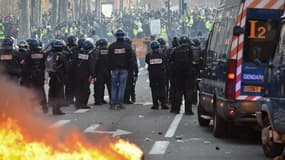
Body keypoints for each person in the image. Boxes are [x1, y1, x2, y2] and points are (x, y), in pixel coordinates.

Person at [108, 29, 133, 110]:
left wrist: (110, 68)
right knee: (122, 87)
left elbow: (109, 59)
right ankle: (120, 103)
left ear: (116, 36)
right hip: (124, 69)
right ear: (123, 36)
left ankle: (113, 103)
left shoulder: (111, 46)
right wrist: (130, 69)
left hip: (114, 69)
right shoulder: (127, 46)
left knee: (114, 87)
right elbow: (130, 59)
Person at [169, 36, 194, 115]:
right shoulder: (190, 50)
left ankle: (176, 109)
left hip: (178, 75)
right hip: (188, 75)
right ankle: (188, 110)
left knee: (178, 92)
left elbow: (170, 62)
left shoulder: (174, 50)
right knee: (188, 92)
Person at [46, 40, 69, 115]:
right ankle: (57, 110)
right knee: (59, 93)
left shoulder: (50, 54)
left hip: (52, 76)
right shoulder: (61, 55)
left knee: (52, 91)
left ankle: (53, 107)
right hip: (59, 77)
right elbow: (66, 67)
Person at [26, 39, 48, 113]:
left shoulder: (28, 54)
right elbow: (45, 64)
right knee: (41, 90)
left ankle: (32, 107)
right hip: (40, 75)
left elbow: (26, 65)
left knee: (32, 91)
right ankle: (44, 106)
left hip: (31, 76)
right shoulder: (42, 53)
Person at [145, 41, 168, 110]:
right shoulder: (162, 55)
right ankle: (163, 104)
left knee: (154, 89)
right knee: (162, 89)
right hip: (161, 74)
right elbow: (165, 62)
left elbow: (147, 61)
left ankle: (155, 104)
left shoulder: (149, 55)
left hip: (152, 74)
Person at [74, 40, 96, 109]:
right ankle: (83, 104)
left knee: (78, 89)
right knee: (86, 90)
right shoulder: (89, 56)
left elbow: (73, 63)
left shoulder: (78, 53)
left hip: (77, 74)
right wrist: (93, 75)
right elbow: (91, 66)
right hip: (86, 75)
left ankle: (77, 103)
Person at [94, 39, 111, 105]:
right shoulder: (108, 50)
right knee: (110, 86)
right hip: (108, 70)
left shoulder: (96, 51)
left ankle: (99, 100)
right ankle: (112, 100)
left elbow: (94, 61)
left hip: (98, 71)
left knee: (99, 86)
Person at [65, 35, 80, 105]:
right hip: (74, 69)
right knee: (75, 85)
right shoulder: (76, 48)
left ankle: (68, 99)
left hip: (67, 69)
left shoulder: (65, 48)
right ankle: (75, 99)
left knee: (68, 85)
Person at [124, 37, 138, 104]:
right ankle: (131, 97)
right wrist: (136, 71)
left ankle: (129, 97)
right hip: (129, 70)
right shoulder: (131, 51)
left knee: (128, 85)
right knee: (131, 84)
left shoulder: (129, 51)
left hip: (125, 69)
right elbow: (134, 62)